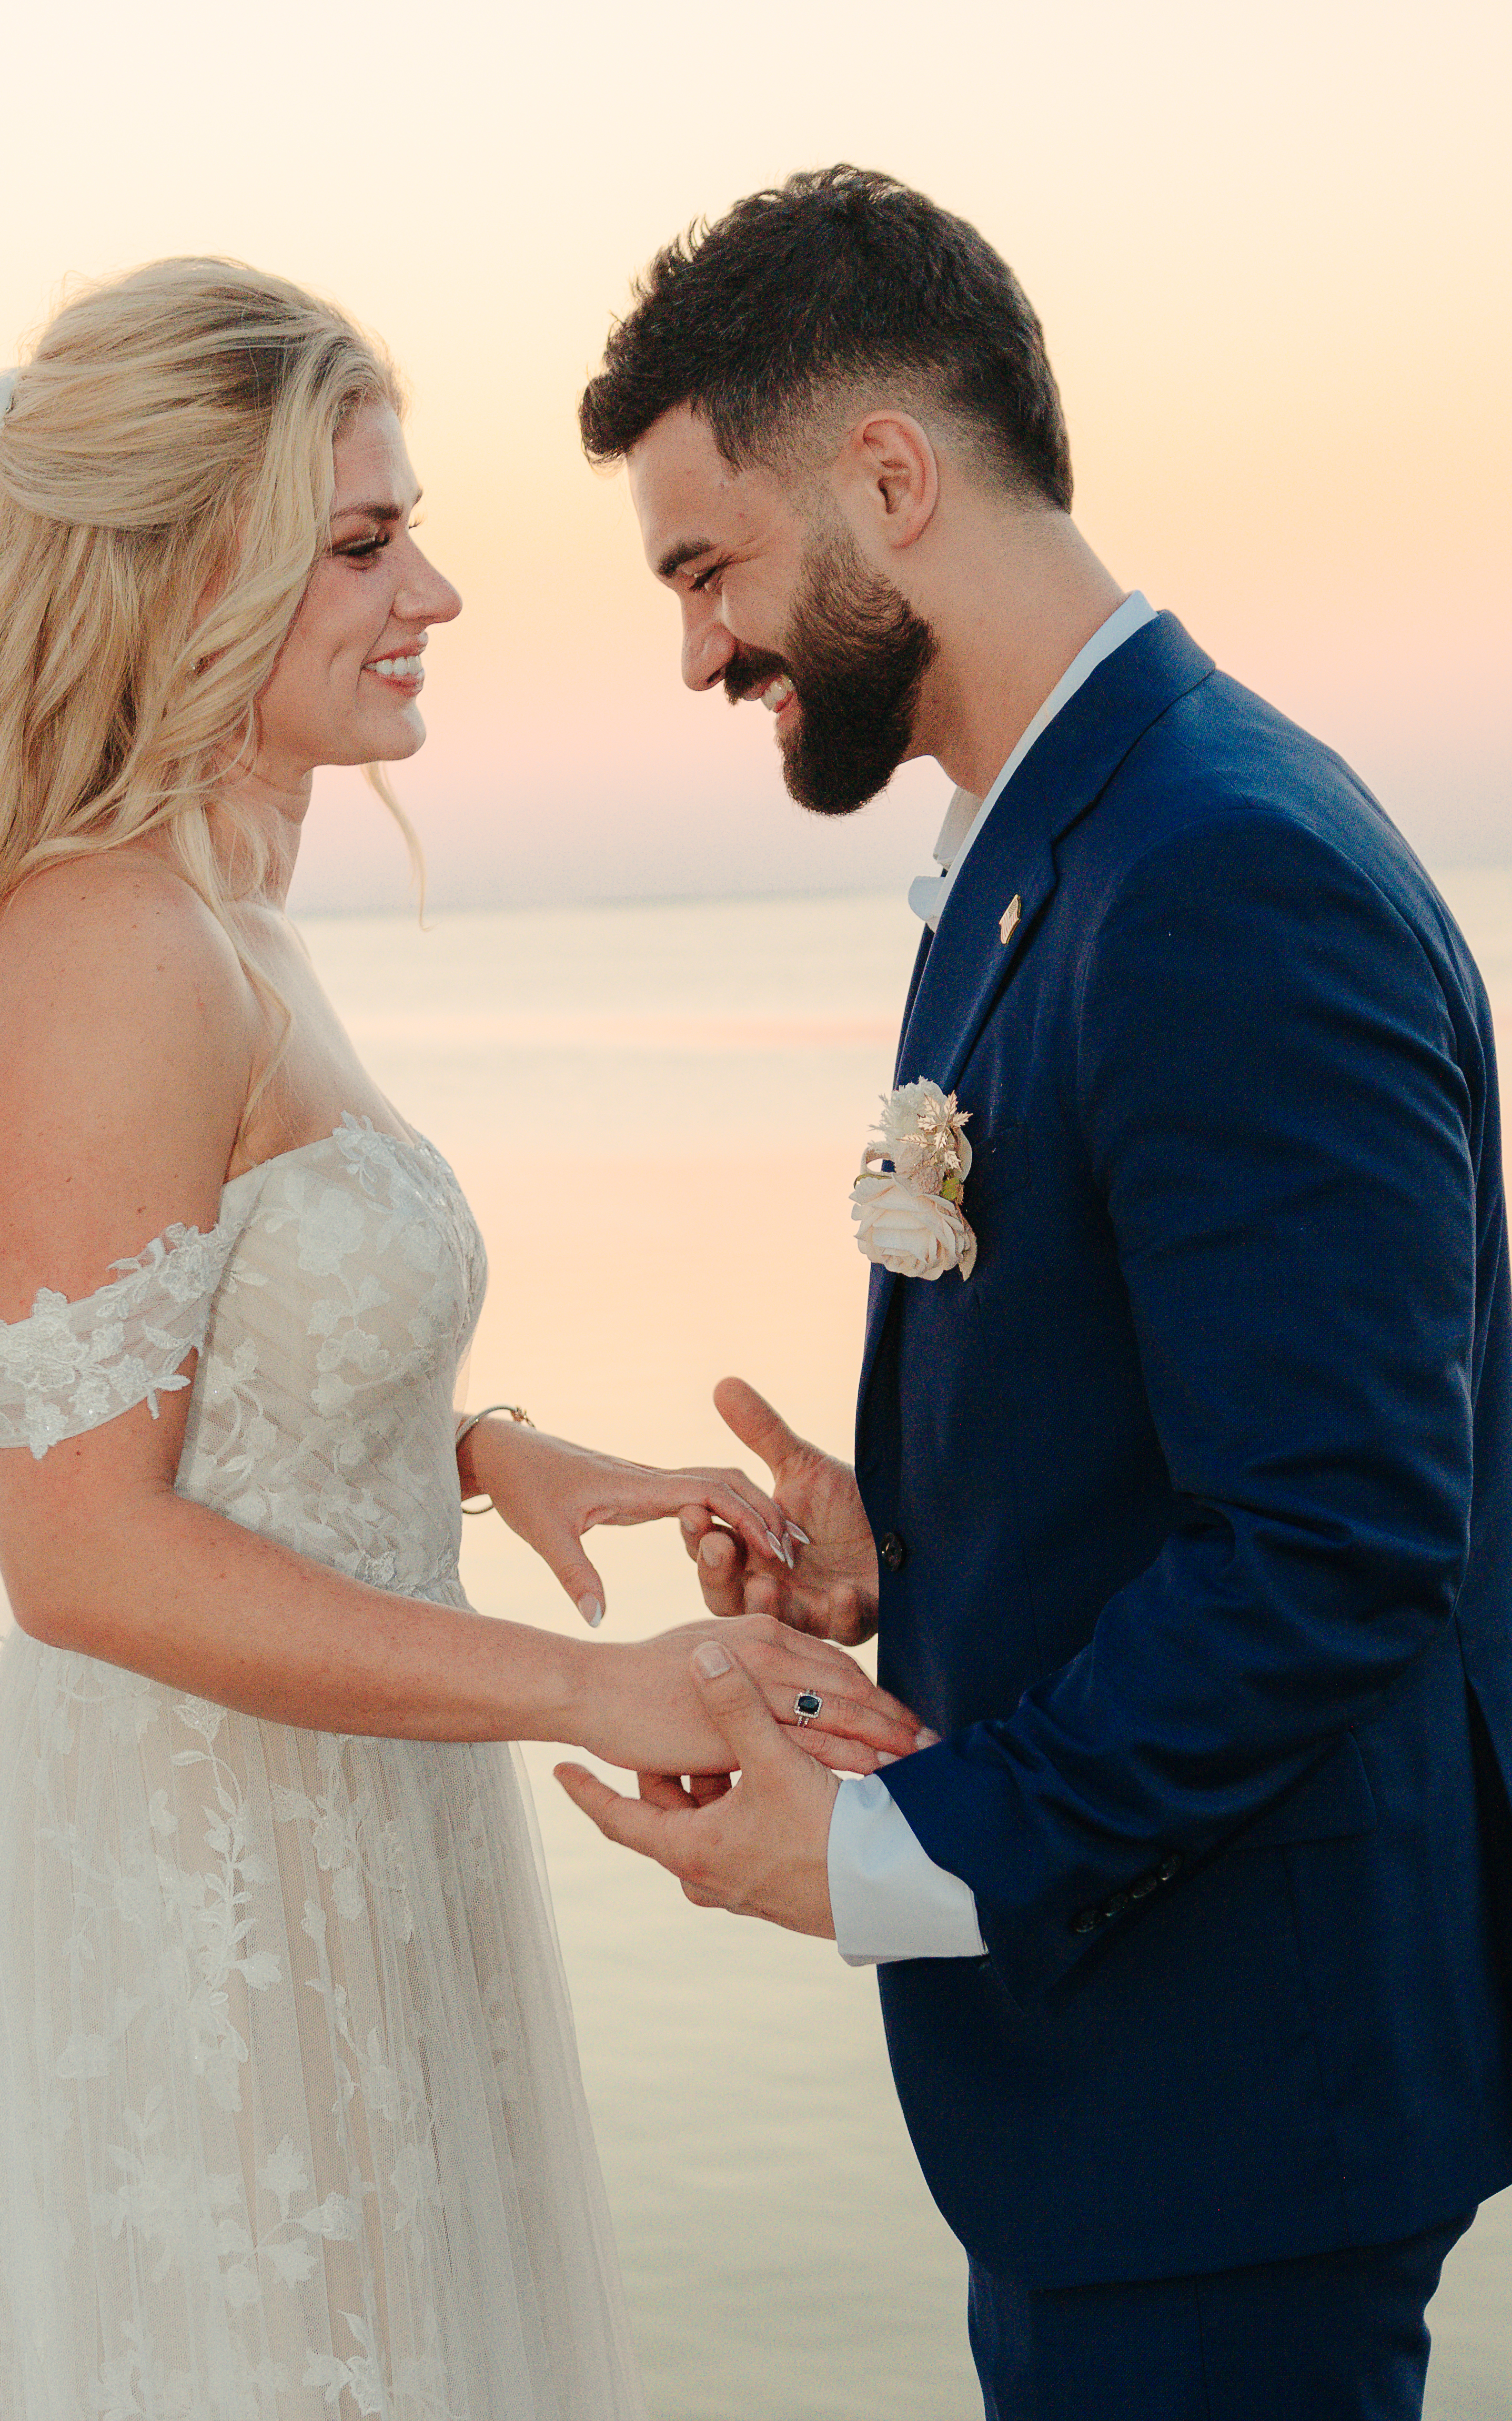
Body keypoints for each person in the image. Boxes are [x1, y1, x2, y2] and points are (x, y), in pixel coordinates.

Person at [0, 256, 919, 2419]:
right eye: (363, 538)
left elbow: (203, 1358)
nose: (436, 591)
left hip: (346, 1838)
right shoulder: (102, 942)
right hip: (202, 1892)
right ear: (192, 572)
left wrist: (479, 1448)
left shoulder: (220, 919)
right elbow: (81, 1551)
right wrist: (593, 1680)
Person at [557, 168, 1512, 2419]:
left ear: (885, 476)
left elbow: (1335, 1536)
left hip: (1229, 2102)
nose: (696, 647)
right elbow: (1188, 1420)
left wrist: (888, 1844)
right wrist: (904, 1529)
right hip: (1135, 2094)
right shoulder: (1062, 847)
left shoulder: (1217, 869)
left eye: (707, 565)